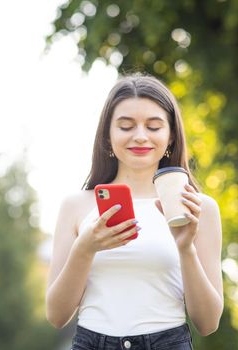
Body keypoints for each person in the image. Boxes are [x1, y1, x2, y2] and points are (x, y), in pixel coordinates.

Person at [45, 73, 223, 350]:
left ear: (171, 135)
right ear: (108, 134)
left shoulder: (199, 208)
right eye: (126, 126)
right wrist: (85, 248)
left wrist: (185, 247)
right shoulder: (76, 206)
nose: (140, 137)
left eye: (153, 126)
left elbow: (208, 322)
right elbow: (56, 316)